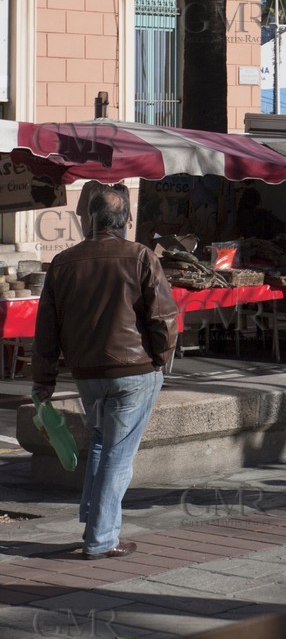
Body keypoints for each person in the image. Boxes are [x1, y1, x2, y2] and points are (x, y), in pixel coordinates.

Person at [31, 184, 177, 559]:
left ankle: (93, 518)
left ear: (89, 220)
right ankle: (102, 538)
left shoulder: (63, 263)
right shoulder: (141, 256)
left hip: (87, 372)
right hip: (134, 370)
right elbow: (163, 317)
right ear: (127, 221)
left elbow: (46, 328)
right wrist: (162, 358)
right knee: (118, 453)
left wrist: (43, 381)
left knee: (100, 441)